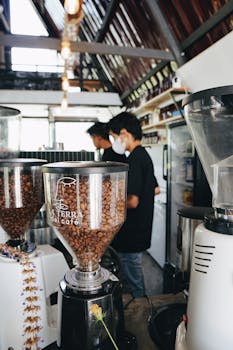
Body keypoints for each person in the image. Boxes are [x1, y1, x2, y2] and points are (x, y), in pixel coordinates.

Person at [108, 112, 160, 298]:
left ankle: (141, 310)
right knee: (133, 269)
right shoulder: (143, 155)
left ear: (124, 133)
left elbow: (132, 201)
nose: (114, 142)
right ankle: (140, 304)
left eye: (113, 137)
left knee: (133, 275)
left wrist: (108, 205)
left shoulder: (135, 159)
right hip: (141, 226)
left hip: (133, 230)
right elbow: (156, 189)